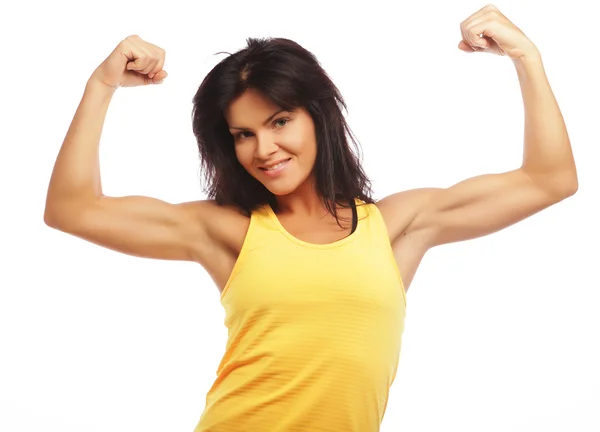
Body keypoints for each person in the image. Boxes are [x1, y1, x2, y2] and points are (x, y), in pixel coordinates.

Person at [43, 5, 578, 431]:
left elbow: (549, 180)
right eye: (243, 134)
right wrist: (101, 86)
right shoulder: (228, 230)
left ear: (317, 115)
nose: (265, 148)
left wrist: (526, 57)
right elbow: (73, 210)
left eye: (279, 121)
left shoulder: (395, 227)